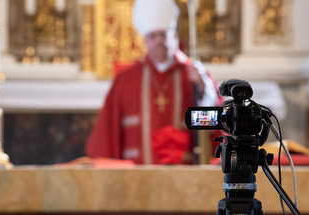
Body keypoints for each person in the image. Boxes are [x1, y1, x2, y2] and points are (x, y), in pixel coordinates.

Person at [85, 0, 219, 164]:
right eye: (152, 36)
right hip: (137, 179)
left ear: (175, 36)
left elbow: (214, 125)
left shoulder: (195, 75)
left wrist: (203, 93)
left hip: (186, 177)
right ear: (144, 40)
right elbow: (105, 137)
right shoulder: (126, 80)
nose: (158, 41)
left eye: (163, 34)